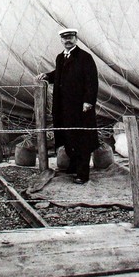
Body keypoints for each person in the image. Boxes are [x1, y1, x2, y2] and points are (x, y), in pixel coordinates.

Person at [36, 28, 99, 184]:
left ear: (76, 39)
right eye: (64, 38)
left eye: (70, 37)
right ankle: (73, 166)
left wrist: (88, 101)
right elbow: (60, 73)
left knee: (81, 139)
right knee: (68, 138)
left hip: (80, 108)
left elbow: (92, 81)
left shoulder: (85, 57)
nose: (67, 40)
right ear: (61, 41)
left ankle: (82, 174)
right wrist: (47, 76)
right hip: (63, 108)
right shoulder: (60, 57)